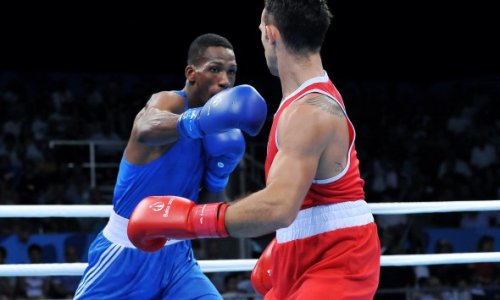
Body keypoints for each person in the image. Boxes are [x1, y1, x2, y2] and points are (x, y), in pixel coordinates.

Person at [127, 1, 381, 299]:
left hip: (338, 261)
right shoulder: (301, 102)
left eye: (260, 30)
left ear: (271, 35)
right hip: (308, 249)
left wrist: (191, 220)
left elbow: (279, 207)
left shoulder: (310, 112)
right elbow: (309, 201)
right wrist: (289, 241)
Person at [74, 33, 267, 299]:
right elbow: (144, 128)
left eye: (231, 72)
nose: (225, 80)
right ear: (191, 73)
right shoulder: (171, 102)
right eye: (214, 69)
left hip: (179, 260)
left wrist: (218, 175)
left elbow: (209, 208)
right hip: (125, 256)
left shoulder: (219, 134)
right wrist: (199, 122)